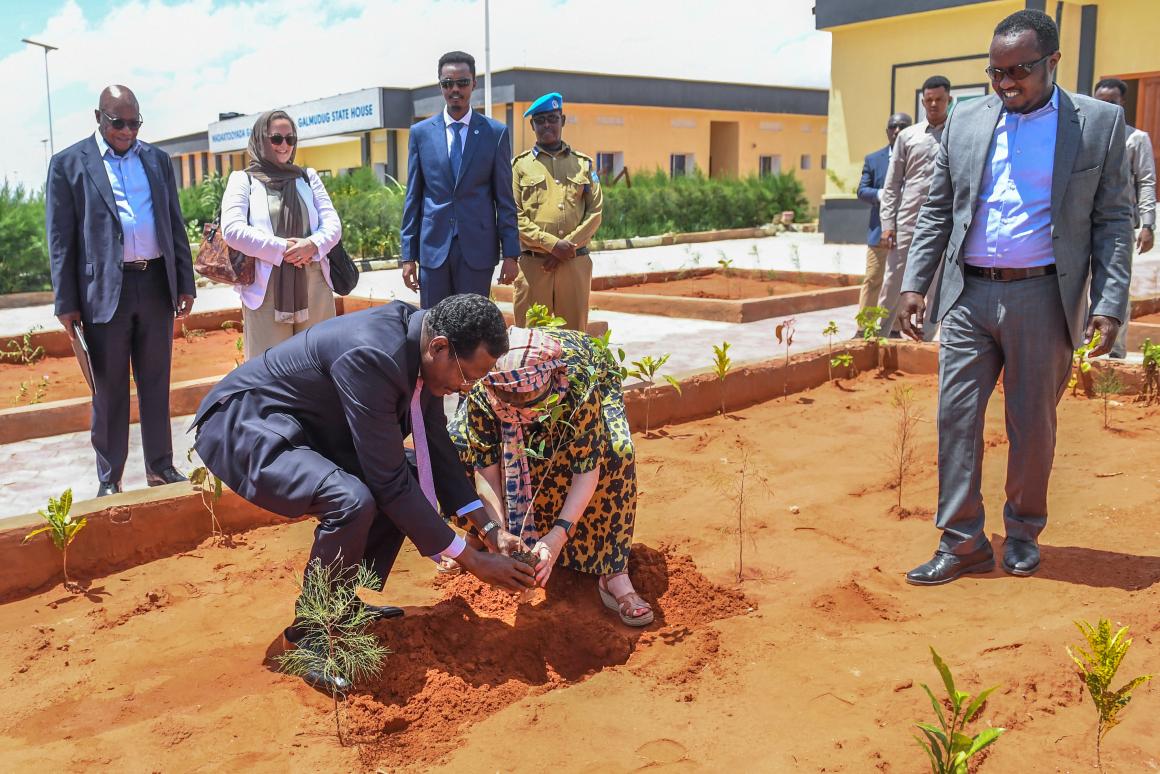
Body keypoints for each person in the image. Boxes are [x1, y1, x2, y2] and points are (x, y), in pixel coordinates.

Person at [192, 295, 536, 692]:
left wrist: (490, 530)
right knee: (351, 499)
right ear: (440, 347)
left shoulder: (422, 347)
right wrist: (470, 559)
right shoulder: (373, 354)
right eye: (466, 376)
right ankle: (309, 631)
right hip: (247, 425)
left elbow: (435, 446)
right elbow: (388, 483)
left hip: (307, 425)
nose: (464, 386)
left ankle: (338, 604)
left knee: (408, 471)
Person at [899, 9, 1132, 585]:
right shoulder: (966, 118)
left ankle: (1023, 531)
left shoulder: (1098, 123)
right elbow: (938, 209)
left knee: (1032, 423)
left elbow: (1112, 220)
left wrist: (1108, 302)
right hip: (968, 294)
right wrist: (913, 283)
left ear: (1053, 61)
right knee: (955, 418)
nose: (1005, 83)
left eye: (1018, 71)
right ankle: (962, 541)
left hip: (1043, 297)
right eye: (995, 72)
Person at [46, 85, 195, 497]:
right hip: (103, 292)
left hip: (155, 282)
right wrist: (66, 302)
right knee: (109, 388)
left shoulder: (157, 160)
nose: (128, 131)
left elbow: (174, 222)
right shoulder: (68, 164)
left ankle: (160, 467)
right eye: (119, 122)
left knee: (156, 382)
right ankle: (109, 478)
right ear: (98, 117)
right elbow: (60, 240)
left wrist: (184, 281)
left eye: (135, 123)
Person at [449, 325, 653, 626]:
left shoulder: (578, 385)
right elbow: (486, 469)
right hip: (509, 399)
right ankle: (477, 535)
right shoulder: (485, 389)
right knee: (458, 443)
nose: (521, 411)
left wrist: (558, 536)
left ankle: (614, 571)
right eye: (510, 400)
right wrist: (496, 532)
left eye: (530, 399)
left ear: (551, 379)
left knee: (617, 452)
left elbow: (587, 468)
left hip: (592, 374)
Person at [400, 51, 521, 308]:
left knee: (473, 324)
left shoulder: (495, 133)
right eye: (448, 83)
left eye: (462, 82)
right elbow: (413, 197)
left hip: (478, 251)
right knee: (433, 324)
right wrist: (408, 256)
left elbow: (504, 198)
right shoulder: (421, 134)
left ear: (473, 84)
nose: (455, 89)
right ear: (440, 86)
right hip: (433, 251)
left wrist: (511, 254)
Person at [220, 110, 342, 360]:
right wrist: (282, 249)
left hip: (314, 283)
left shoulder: (307, 178)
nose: (284, 145)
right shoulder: (243, 180)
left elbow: (333, 224)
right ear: (260, 140)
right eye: (276, 138)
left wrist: (312, 244)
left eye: (290, 138)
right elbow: (232, 229)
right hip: (266, 289)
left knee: (317, 362)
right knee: (269, 367)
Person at [511, 92, 604, 330]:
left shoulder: (583, 164)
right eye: (540, 120)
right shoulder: (519, 166)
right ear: (532, 125)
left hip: (574, 264)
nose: (547, 125)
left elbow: (595, 213)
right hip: (534, 266)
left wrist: (565, 248)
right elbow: (513, 214)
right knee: (531, 338)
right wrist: (552, 245)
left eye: (552, 118)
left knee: (573, 337)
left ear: (562, 120)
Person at [879, 75, 953, 336]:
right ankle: (880, 335)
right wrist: (887, 225)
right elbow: (892, 185)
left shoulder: (956, 135)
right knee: (893, 281)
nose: (933, 104)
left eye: (939, 99)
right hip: (907, 222)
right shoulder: (907, 136)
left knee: (935, 286)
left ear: (949, 100)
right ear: (923, 102)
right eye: (929, 100)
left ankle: (924, 339)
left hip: (943, 225)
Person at [1093, 77, 1156, 359]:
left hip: (1119, 226)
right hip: (1084, 223)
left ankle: (1115, 351)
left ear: (1122, 104)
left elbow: (1146, 181)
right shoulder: (1087, 138)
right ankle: (1082, 345)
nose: (1105, 107)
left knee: (1115, 284)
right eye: (1100, 102)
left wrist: (1148, 223)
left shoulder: (1135, 138)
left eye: (1112, 102)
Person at [855, 112, 912, 335]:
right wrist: (884, 194)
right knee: (873, 279)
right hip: (880, 232)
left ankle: (894, 329)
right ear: (887, 131)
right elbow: (862, 190)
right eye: (892, 127)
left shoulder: (919, 157)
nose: (897, 130)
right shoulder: (874, 159)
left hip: (909, 232)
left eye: (902, 126)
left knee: (901, 283)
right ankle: (864, 328)